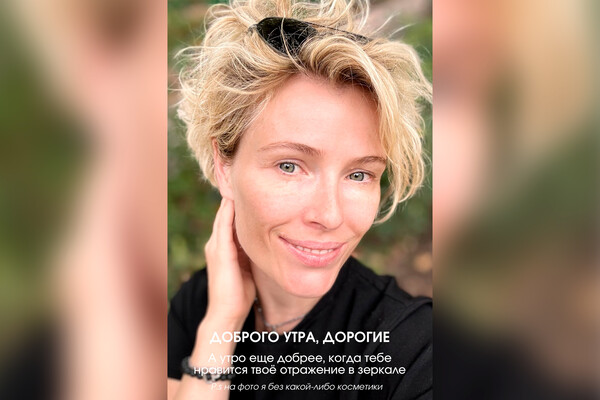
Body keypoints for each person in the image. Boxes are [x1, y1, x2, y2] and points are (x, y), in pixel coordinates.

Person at [168, 1, 431, 399]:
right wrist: (220, 324)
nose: (329, 215)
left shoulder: (416, 350)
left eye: (359, 174)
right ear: (224, 166)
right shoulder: (200, 304)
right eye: (290, 166)